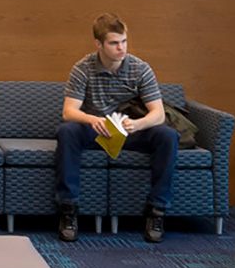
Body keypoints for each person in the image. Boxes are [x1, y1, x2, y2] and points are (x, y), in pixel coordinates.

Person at [55, 14, 178, 245]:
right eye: (114, 43)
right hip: (95, 129)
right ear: (99, 44)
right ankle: (68, 210)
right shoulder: (83, 68)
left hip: (129, 130)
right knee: (67, 131)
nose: (120, 48)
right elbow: (68, 111)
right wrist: (92, 120)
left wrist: (138, 124)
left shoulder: (140, 68)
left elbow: (158, 113)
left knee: (168, 135)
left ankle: (157, 211)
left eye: (123, 42)